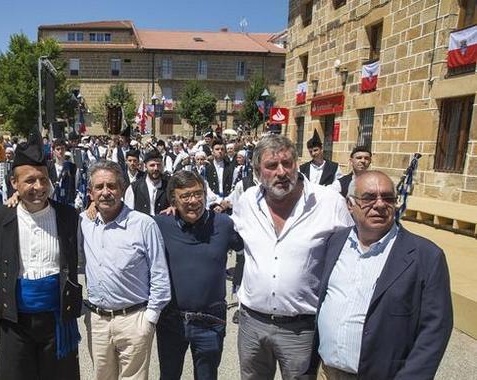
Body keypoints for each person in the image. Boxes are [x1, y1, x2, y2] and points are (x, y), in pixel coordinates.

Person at [231, 135, 354, 380]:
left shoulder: (328, 202)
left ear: (297, 164)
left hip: (302, 329)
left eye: (287, 164)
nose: (281, 172)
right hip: (252, 324)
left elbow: (351, 259)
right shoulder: (246, 203)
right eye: (271, 166)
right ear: (257, 171)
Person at [310, 171, 452, 379]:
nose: (379, 204)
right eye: (368, 198)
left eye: (388, 198)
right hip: (327, 373)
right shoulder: (335, 242)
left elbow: (435, 330)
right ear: (350, 205)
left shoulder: (426, 256)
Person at [0, 135, 82, 380]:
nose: (38, 187)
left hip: (57, 320)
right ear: (14, 183)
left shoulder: (68, 216)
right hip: (15, 321)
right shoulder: (1, 217)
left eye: (43, 179)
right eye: (29, 181)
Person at [80, 160, 171, 380]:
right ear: (90, 193)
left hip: (134, 319)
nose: (105, 192)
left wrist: (149, 319)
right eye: (99, 187)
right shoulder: (84, 221)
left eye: (111, 186)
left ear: (122, 189)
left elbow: (160, 274)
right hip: (98, 321)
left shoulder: (143, 224)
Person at [154, 171, 243, 380]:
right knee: (168, 375)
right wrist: (92, 206)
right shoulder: (160, 224)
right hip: (171, 320)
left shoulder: (223, 224)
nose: (193, 201)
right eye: (185, 196)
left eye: (198, 194)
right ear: (173, 200)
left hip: (210, 321)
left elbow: (250, 249)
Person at [124, 150, 171, 216]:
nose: (156, 168)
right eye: (152, 165)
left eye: (158, 165)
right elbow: (128, 213)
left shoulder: (169, 186)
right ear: (145, 166)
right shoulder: (134, 188)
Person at [47, 140, 77, 207]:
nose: (60, 151)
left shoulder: (71, 166)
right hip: (53, 200)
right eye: (58, 149)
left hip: (67, 201)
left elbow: (74, 184)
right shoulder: (49, 166)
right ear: (54, 151)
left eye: (62, 149)